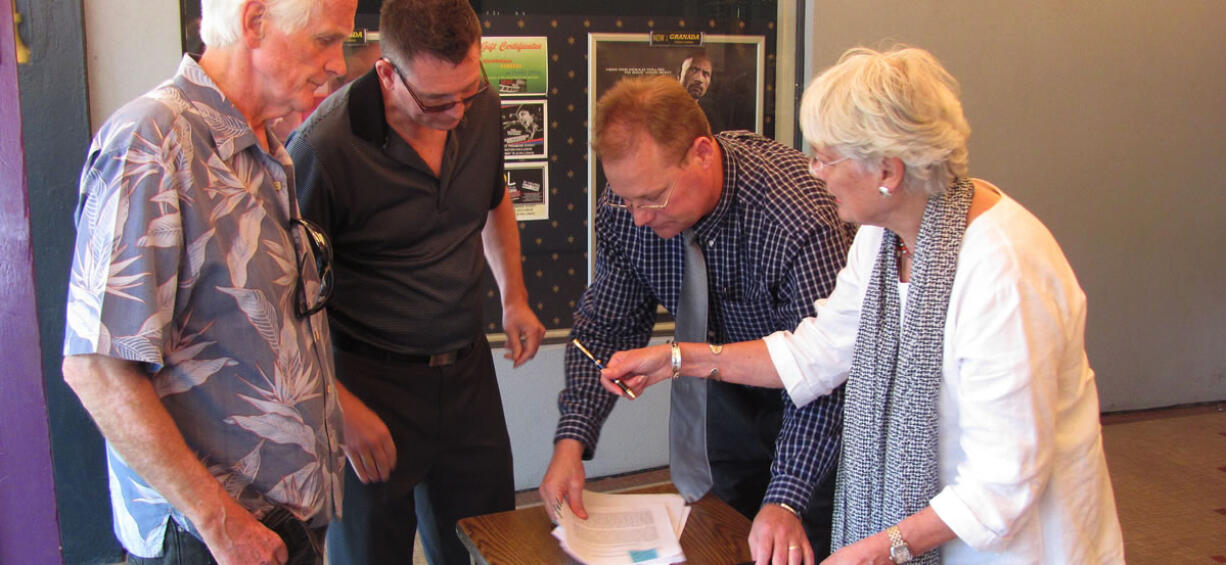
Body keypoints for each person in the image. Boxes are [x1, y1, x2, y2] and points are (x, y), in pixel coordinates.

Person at [599, 46, 1126, 565]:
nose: (814, 172)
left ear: (888, 172)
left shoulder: (1005, 269)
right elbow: (815, 356)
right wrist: (675, 360)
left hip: (1019, 546)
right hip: (935, 529)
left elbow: (1002, 486)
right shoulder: (883, 239)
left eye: (827, 158)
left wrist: (878, 549)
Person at [61, 0, 357, 563]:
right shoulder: (153, 140)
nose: (339, 64)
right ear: (254, 22)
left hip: (279, 528)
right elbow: (97, 366)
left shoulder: (264, 150)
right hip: (212, 541)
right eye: (324, 40)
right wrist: (221, 524)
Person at [539, 75, 855, 561]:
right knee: (724, 538)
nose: (638, 215)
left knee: (803, 540)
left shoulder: (795, 216)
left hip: (821, 413)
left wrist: (787, 497)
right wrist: (571, 440)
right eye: (626, 198)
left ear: (702, 154)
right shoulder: (630, 207)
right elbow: (606, 325)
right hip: (723, 402)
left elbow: (829, 372)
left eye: (652, 197)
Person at [286, 0, 547, 563]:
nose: (456, 111)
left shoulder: (481, 107)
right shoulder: (322, 149)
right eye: (436, 100)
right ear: (387, 73)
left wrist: (515, 298)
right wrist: (338, 406)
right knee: (369, 554)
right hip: (369, 383)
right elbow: (285, 306)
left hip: (467, 372)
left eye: (467, 91)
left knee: (486, 546)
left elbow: (493, 198)